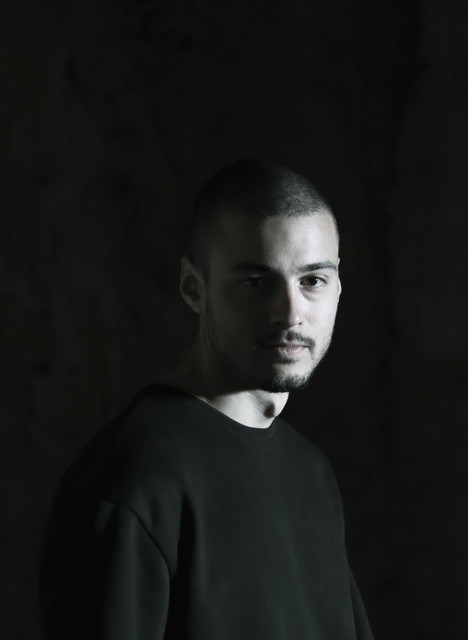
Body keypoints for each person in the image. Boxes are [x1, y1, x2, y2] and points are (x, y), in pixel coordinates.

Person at [39, 159, 374, 639]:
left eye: (312, 280)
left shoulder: (310, 472)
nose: (290, 313)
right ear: (193, 288)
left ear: (338, 285)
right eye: (255, 283)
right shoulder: (134, 482)